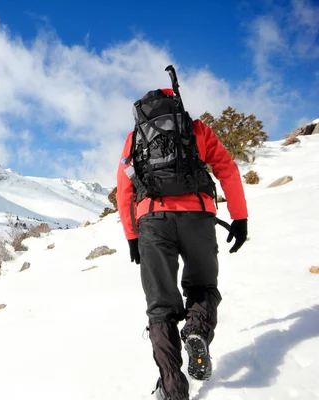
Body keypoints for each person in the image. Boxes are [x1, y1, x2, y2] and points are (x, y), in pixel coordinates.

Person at [115, 71, 248, 399]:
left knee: (160, 307)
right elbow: (226, 169)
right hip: (198, 217)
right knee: (203, 287)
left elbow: (124, 190)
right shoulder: (196, 129)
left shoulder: (135, 138)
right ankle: (196, 329)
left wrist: (132, 236)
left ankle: (173, 388)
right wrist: (240, 217)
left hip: (153, 220)